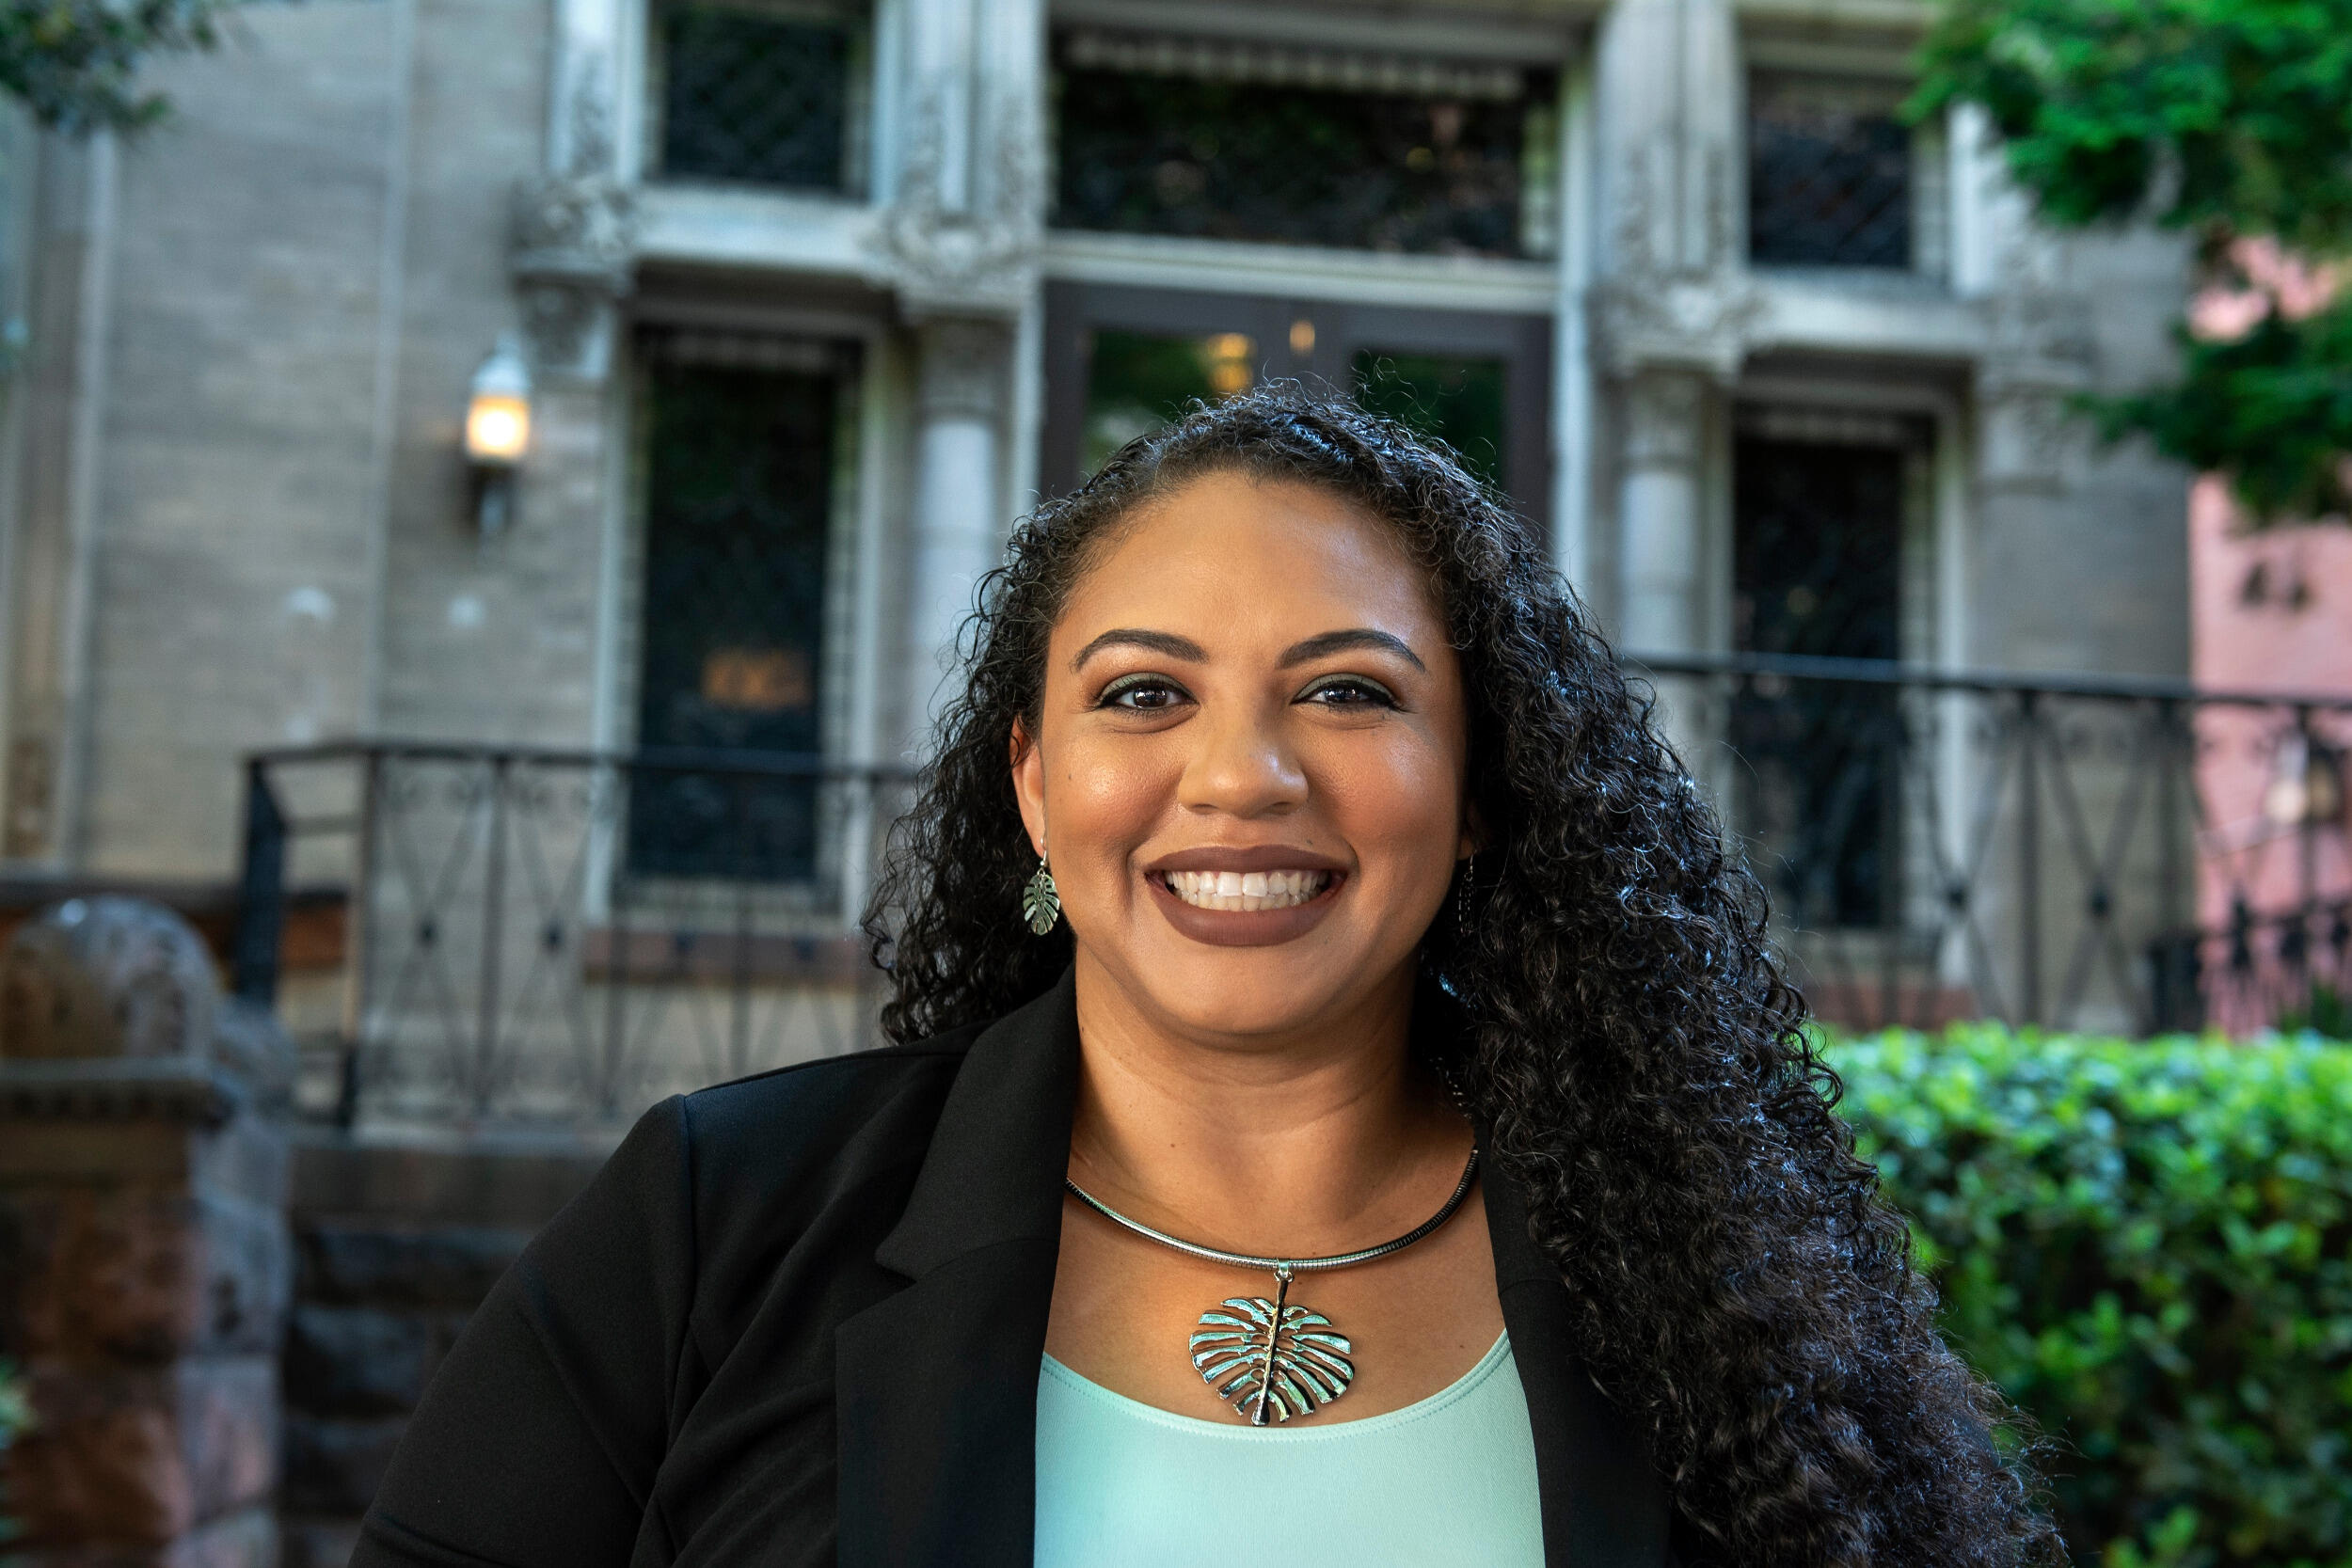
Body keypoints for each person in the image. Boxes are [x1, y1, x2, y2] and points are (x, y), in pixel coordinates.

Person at [353, 389, 2055, 1568]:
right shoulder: (712, 1228)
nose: (1242, 776)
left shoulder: (1704, 1282)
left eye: (1353, 693)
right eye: (1145, 694)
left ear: (1479, 794)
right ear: (1034, 781)